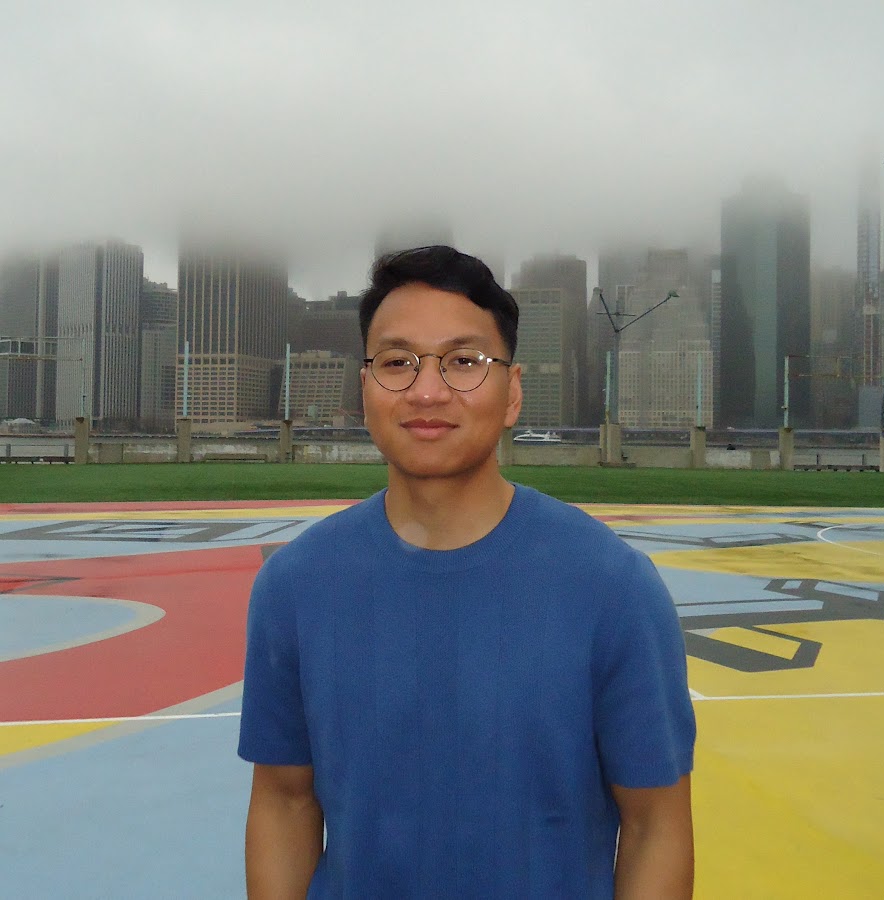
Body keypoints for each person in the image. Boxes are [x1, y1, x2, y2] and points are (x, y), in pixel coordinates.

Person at [239, 245, 696, 898]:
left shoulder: (613, 588)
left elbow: (655, 825)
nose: (427, 391)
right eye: (397, 362)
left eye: (463, 362)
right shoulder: (295, 586)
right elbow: (284, 801)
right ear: (365, 389)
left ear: (513, 393)